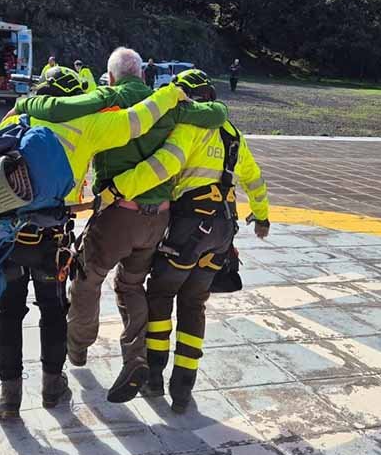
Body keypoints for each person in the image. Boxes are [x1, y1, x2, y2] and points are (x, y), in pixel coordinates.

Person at [12, 49, 227, 404]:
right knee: (131, 285)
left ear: (111, 77)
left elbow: (58, 109)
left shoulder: (107, 99)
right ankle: (136, 357)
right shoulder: (166, 104)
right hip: (158, 217)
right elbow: (217, 113)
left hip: (116, 214)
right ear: (142, 74)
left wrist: (24, 103)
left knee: (88, 278)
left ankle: (78, 347)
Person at [0, 65, 190, 419]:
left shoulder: (17, 117)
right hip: (52, 239)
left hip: (8, 237)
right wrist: (170, 94)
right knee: (55, 309)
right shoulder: (87, 125)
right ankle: (53, 386)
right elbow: (136, 122)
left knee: (12, 309)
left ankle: (11, 396)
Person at [97, 69, 270, 411]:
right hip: (222, 230)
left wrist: (117, 189)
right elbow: (254, 178)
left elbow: (162, 166)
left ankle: (154, 378)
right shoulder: (232, 134)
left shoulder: (189, 128)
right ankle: (183, 390)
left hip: (189, 228)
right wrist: (262, 216)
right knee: (194, 304)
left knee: (161, 295)